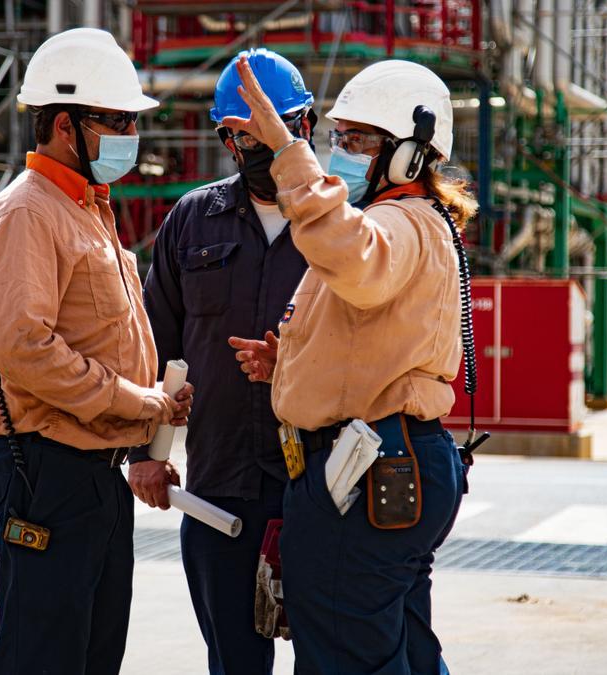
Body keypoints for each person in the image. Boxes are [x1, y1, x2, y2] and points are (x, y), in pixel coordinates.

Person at [225, 57, 476, 674]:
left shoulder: (397, 221)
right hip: (380, 462)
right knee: (397, 649)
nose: (342, 151)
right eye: (338, 138)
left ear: (411, 154)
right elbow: (375, 336)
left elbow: (355, 262)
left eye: (358, 140)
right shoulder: (404, 223)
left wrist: (288, 153)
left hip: (367, 468)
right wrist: (294, 363)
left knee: (345, 652)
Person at [0, 27, 194, 675]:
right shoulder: (28, 213)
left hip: (94, 469)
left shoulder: (87, 208)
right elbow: (25, 347)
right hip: (47, 467)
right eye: (118, 120)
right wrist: (136, 397)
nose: (131, 134)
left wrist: (151, 403)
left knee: (93, 653)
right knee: (43, 654)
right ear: (64, 124)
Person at [130, 48, 314, 675]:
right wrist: (147, 457)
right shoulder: (193, 220)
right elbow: (157, 348)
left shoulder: (340, 225)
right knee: (234, 661)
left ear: (303, 126)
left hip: (316, 487)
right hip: (220, 491)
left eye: (267, 129)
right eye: (239, 135)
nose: (253, 145)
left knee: (329, 654)